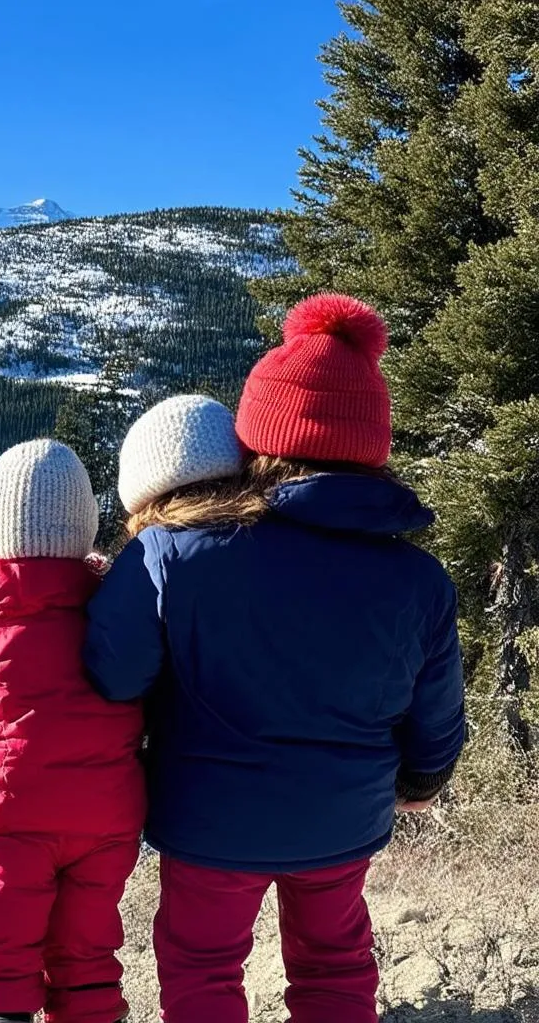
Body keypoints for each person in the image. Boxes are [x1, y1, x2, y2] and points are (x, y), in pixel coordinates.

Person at [85, 294, 466, 1023]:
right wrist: (423, 775)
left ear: (256, 437)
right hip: (343, 817)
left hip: (208, 821)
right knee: (334, 966)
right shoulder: (418, 579)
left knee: (202, 967)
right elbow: (437, 711)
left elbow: (115, 673)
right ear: (371, 446)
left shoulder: (174, 551)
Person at [0, 439, 145, 1023]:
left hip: (6, 816)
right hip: (105, 817)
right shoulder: (117, 613)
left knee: (2, 966)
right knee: (88, 962)